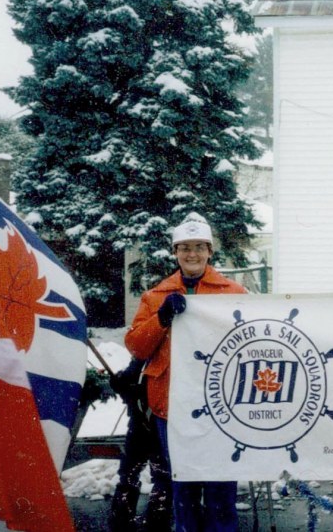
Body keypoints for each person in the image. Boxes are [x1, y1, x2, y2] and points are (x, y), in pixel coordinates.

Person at [125, 212, 246, 532]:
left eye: (199, 247)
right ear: (175, 253)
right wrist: (161, 319)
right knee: (184, 489)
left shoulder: (234, 293)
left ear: (210, 251)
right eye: (185, 248)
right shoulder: (155, 296)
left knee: (221, 488)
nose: (192, 254)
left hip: (222, 406)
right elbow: (137, 347)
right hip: (172, 408)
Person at [108, 357, 172, 531]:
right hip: (140, 424)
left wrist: (135, 390)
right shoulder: (143, 355)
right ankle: (122, 521)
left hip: (162, 424)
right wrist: (121, 383)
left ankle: (156, 523)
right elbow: (129, 380)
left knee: (161, 476)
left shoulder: (166, 352)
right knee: (131, 474)